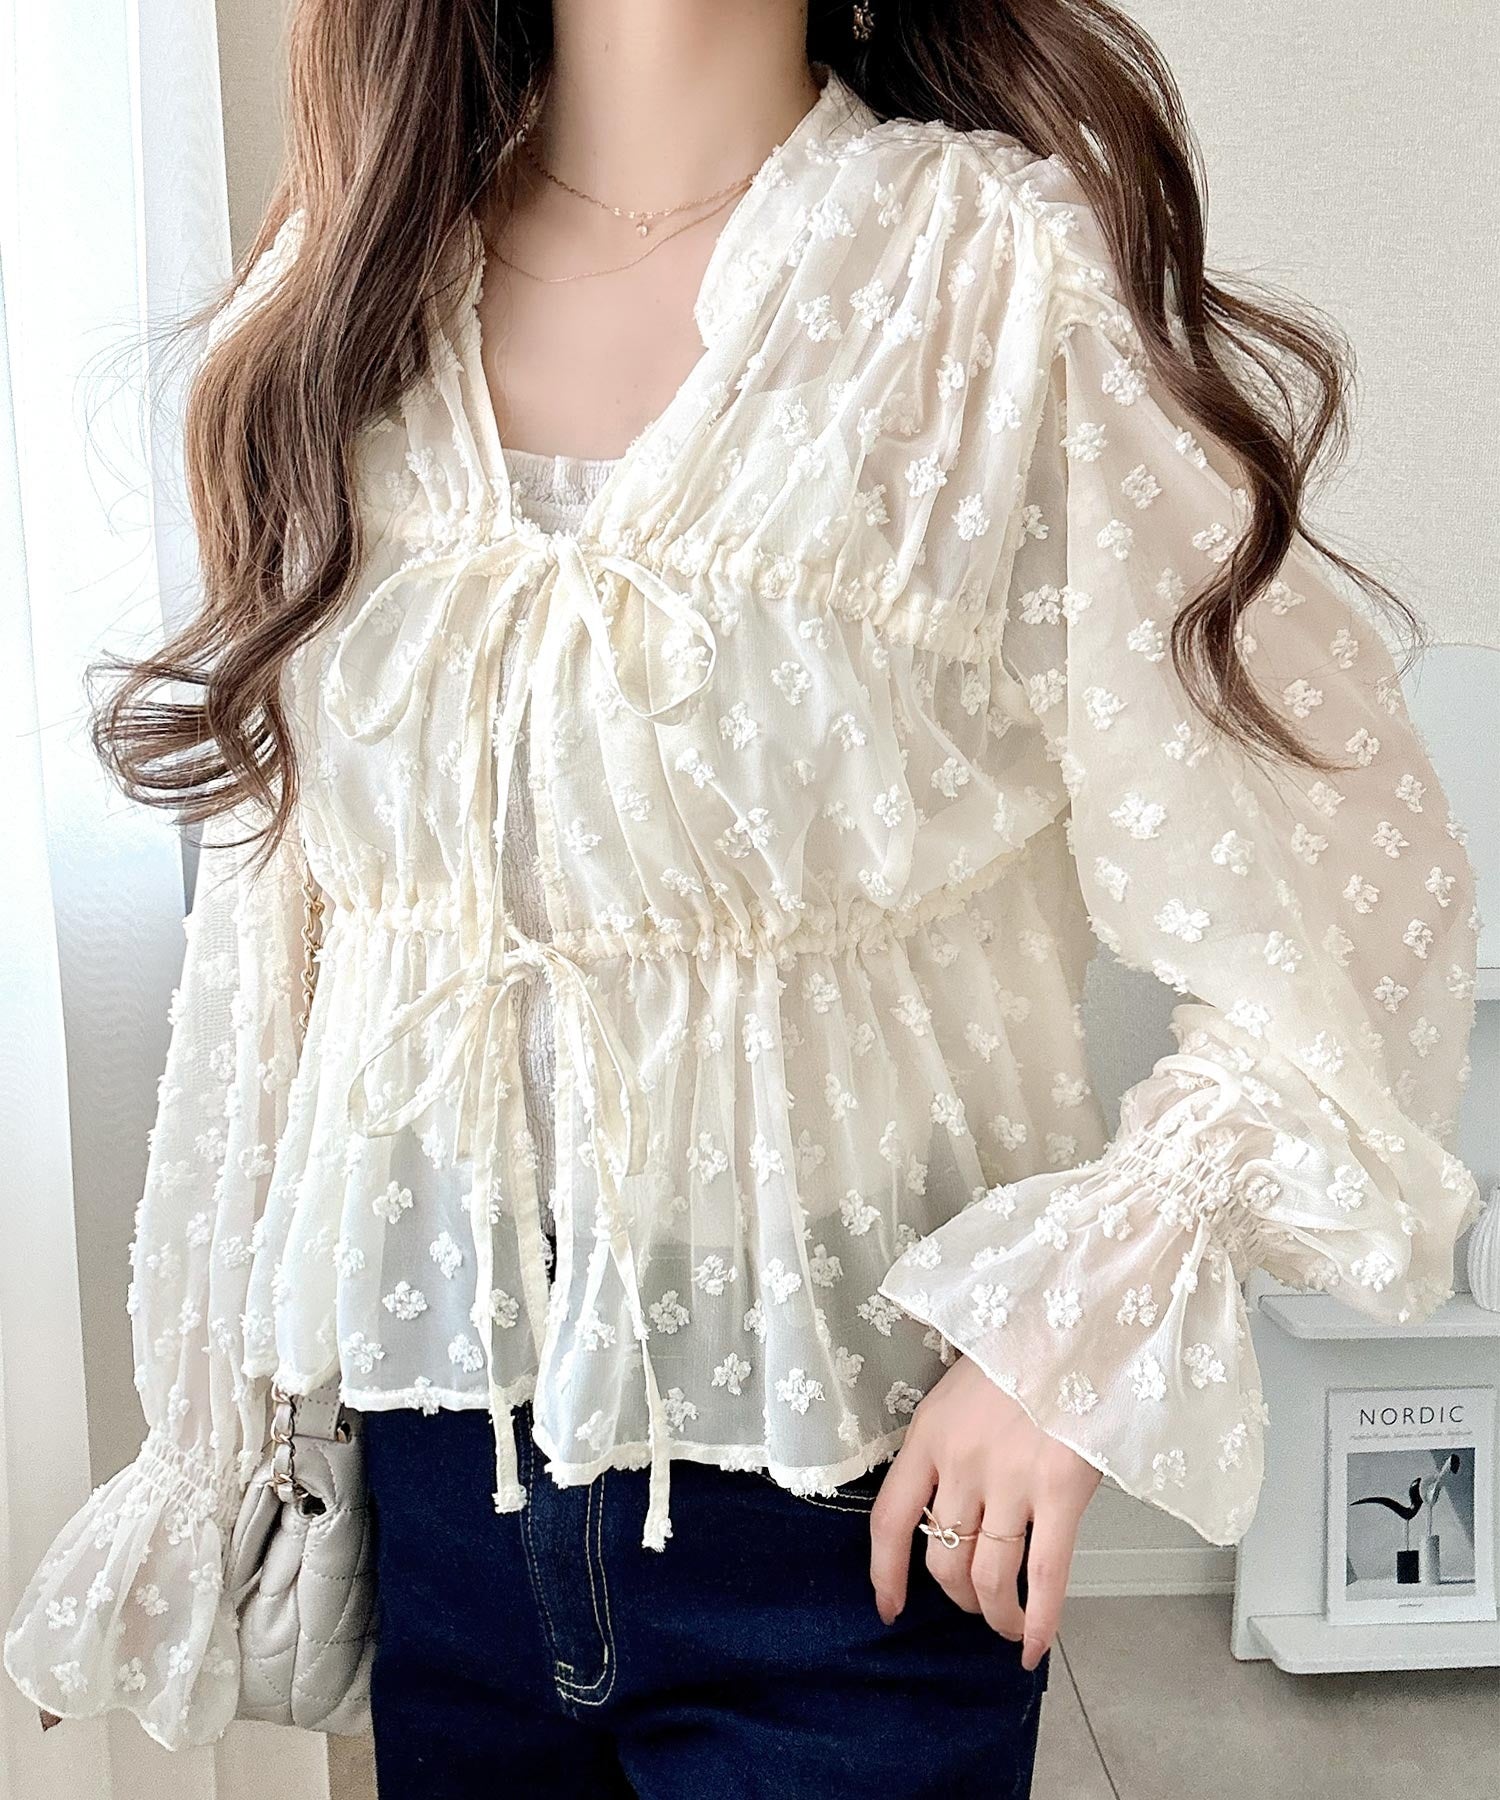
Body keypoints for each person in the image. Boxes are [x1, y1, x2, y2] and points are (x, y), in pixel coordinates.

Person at [5, 3, 1482, 1794]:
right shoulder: (346, 285)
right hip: (440, 1485)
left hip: (846, 1513)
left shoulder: (999, 286)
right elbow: (281, 950)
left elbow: (1355, 900)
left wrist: (1068, 1336)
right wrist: (206, 1449)